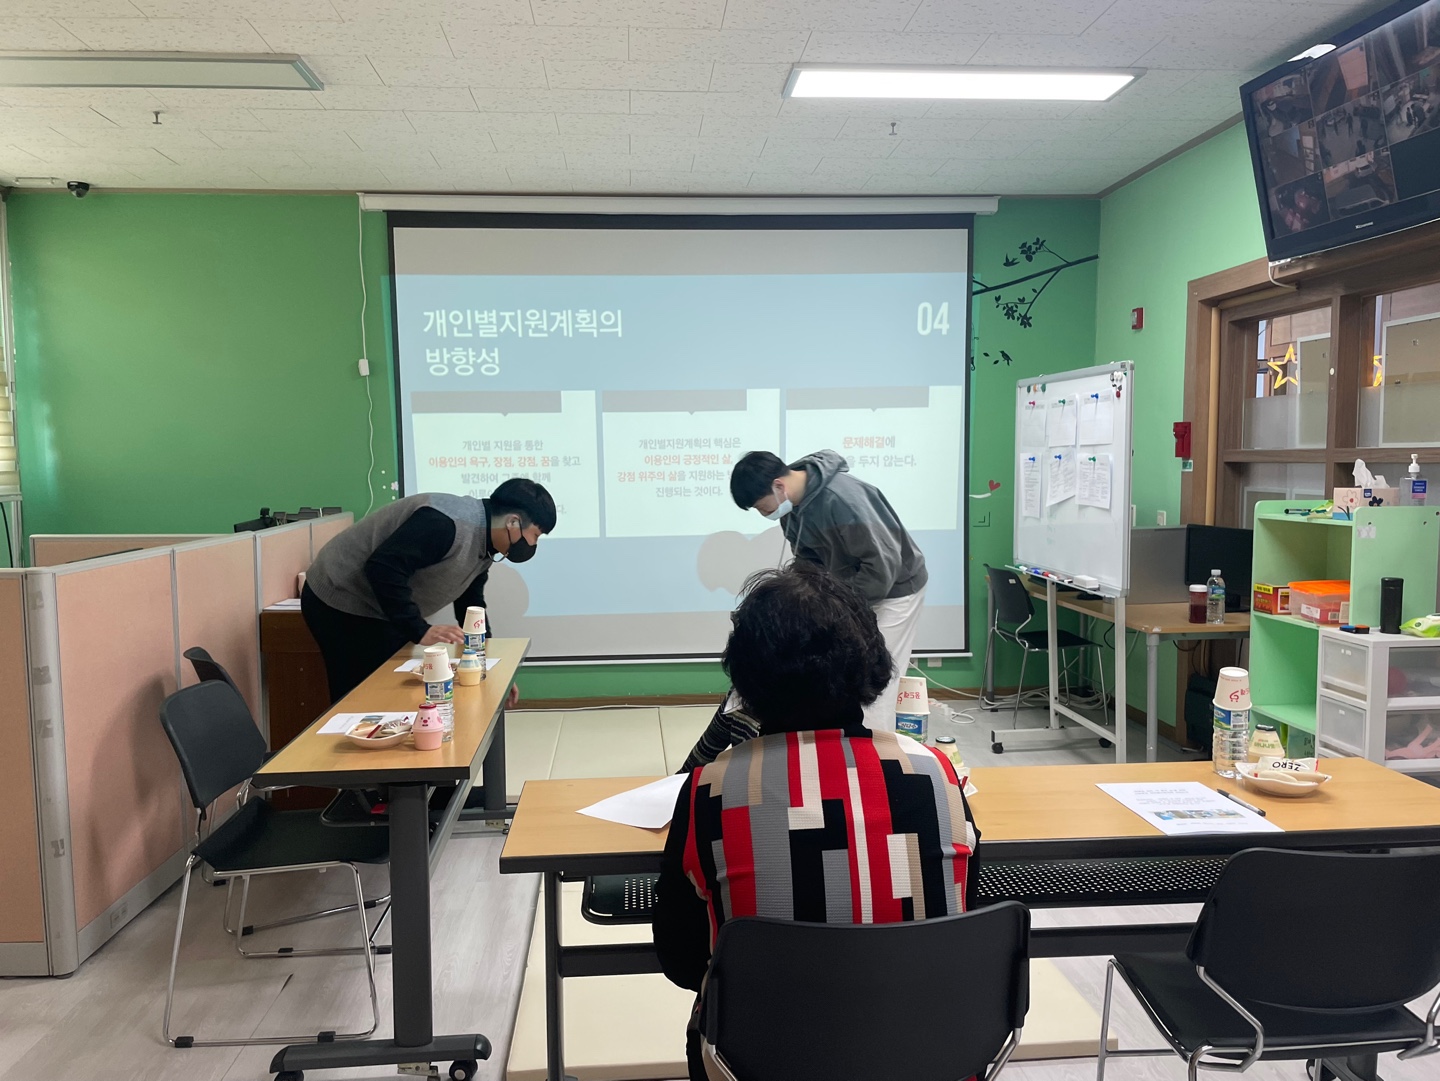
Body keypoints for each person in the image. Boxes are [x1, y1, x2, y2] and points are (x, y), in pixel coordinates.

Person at [653, 562, 977, 1081]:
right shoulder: (936, 773)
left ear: (745, 674)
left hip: (760, 1063)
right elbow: (962, 916)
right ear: (872, 659)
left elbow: (682, 959)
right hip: (929, 1058)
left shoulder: (709, 791)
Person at [301, 479, 555, 702]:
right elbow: (383, 568)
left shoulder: (487, 544)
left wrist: (486, 666)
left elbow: (471, 605)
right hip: (340, 600)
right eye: (535, 535)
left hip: (379, 608)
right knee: (363, 698)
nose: (533, 544)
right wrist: (419, 629)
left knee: (394, 693)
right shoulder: (445, 523)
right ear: (513, 522)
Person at [728, 448, 927, 732]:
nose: (764, 514)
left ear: (779, 486)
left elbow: (882, 566)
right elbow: (808, 562)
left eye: (763, 508)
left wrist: (839, 607)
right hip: (851, 592)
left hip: (895, 590)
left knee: (872, 679)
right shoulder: (792, 509)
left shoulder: (843, 499)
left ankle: (875, 751)